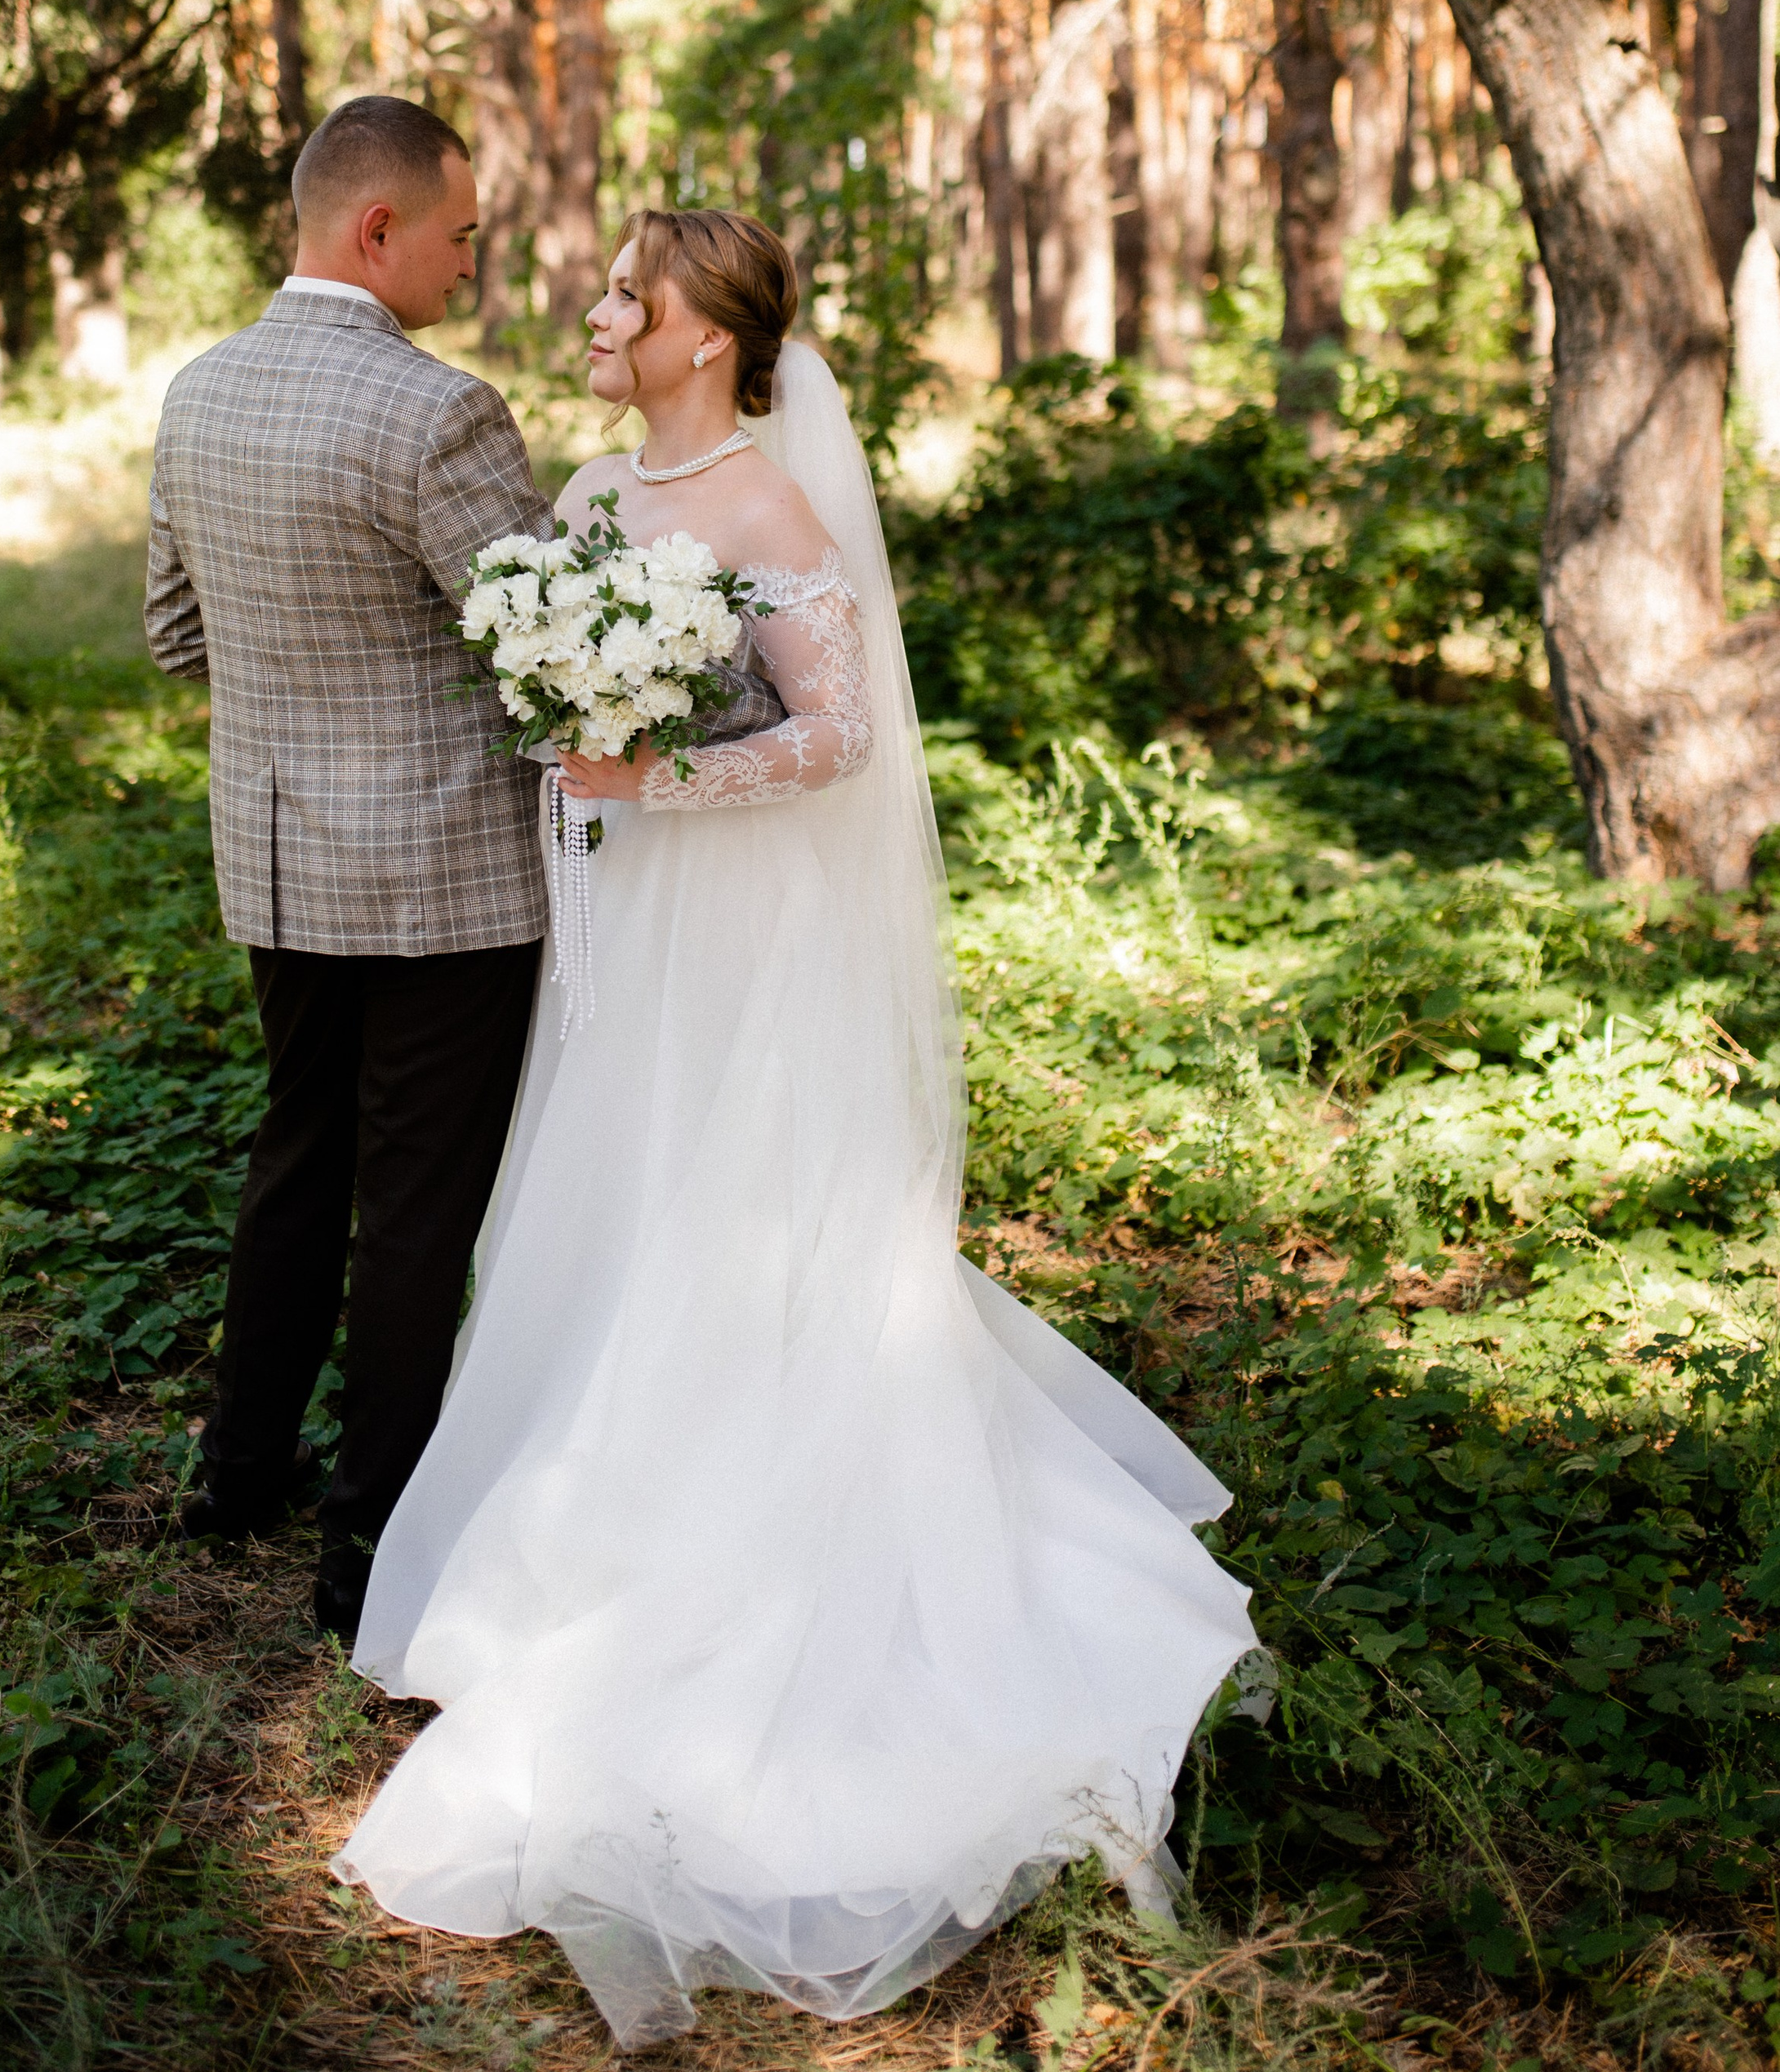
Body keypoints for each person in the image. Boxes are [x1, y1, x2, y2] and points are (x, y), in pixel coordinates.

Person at [331, 207, 1262, 2048]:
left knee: (724, 1210)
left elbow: (837, 737)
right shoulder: (595, 496)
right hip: (630, 921)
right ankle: (571, 1521)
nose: (593, 314)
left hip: (744, 933)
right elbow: (564, 701)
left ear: (704, 336)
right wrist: (573, 740)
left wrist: (653, 769)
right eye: (599, 288)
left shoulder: (764, 512)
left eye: (625, 294)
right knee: (606, 1198)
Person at [142, 103, 780, 1639]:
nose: (474, 261)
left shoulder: (198, 391)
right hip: (441, 882)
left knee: (301, 1151)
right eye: (462, 233)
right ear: (380, 232)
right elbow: (552, 654)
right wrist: (744, 690)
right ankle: (370, 1537)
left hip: (280, 860)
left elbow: (176, 637)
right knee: (421, 1197)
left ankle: (237, 1469)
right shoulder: (438, 416)